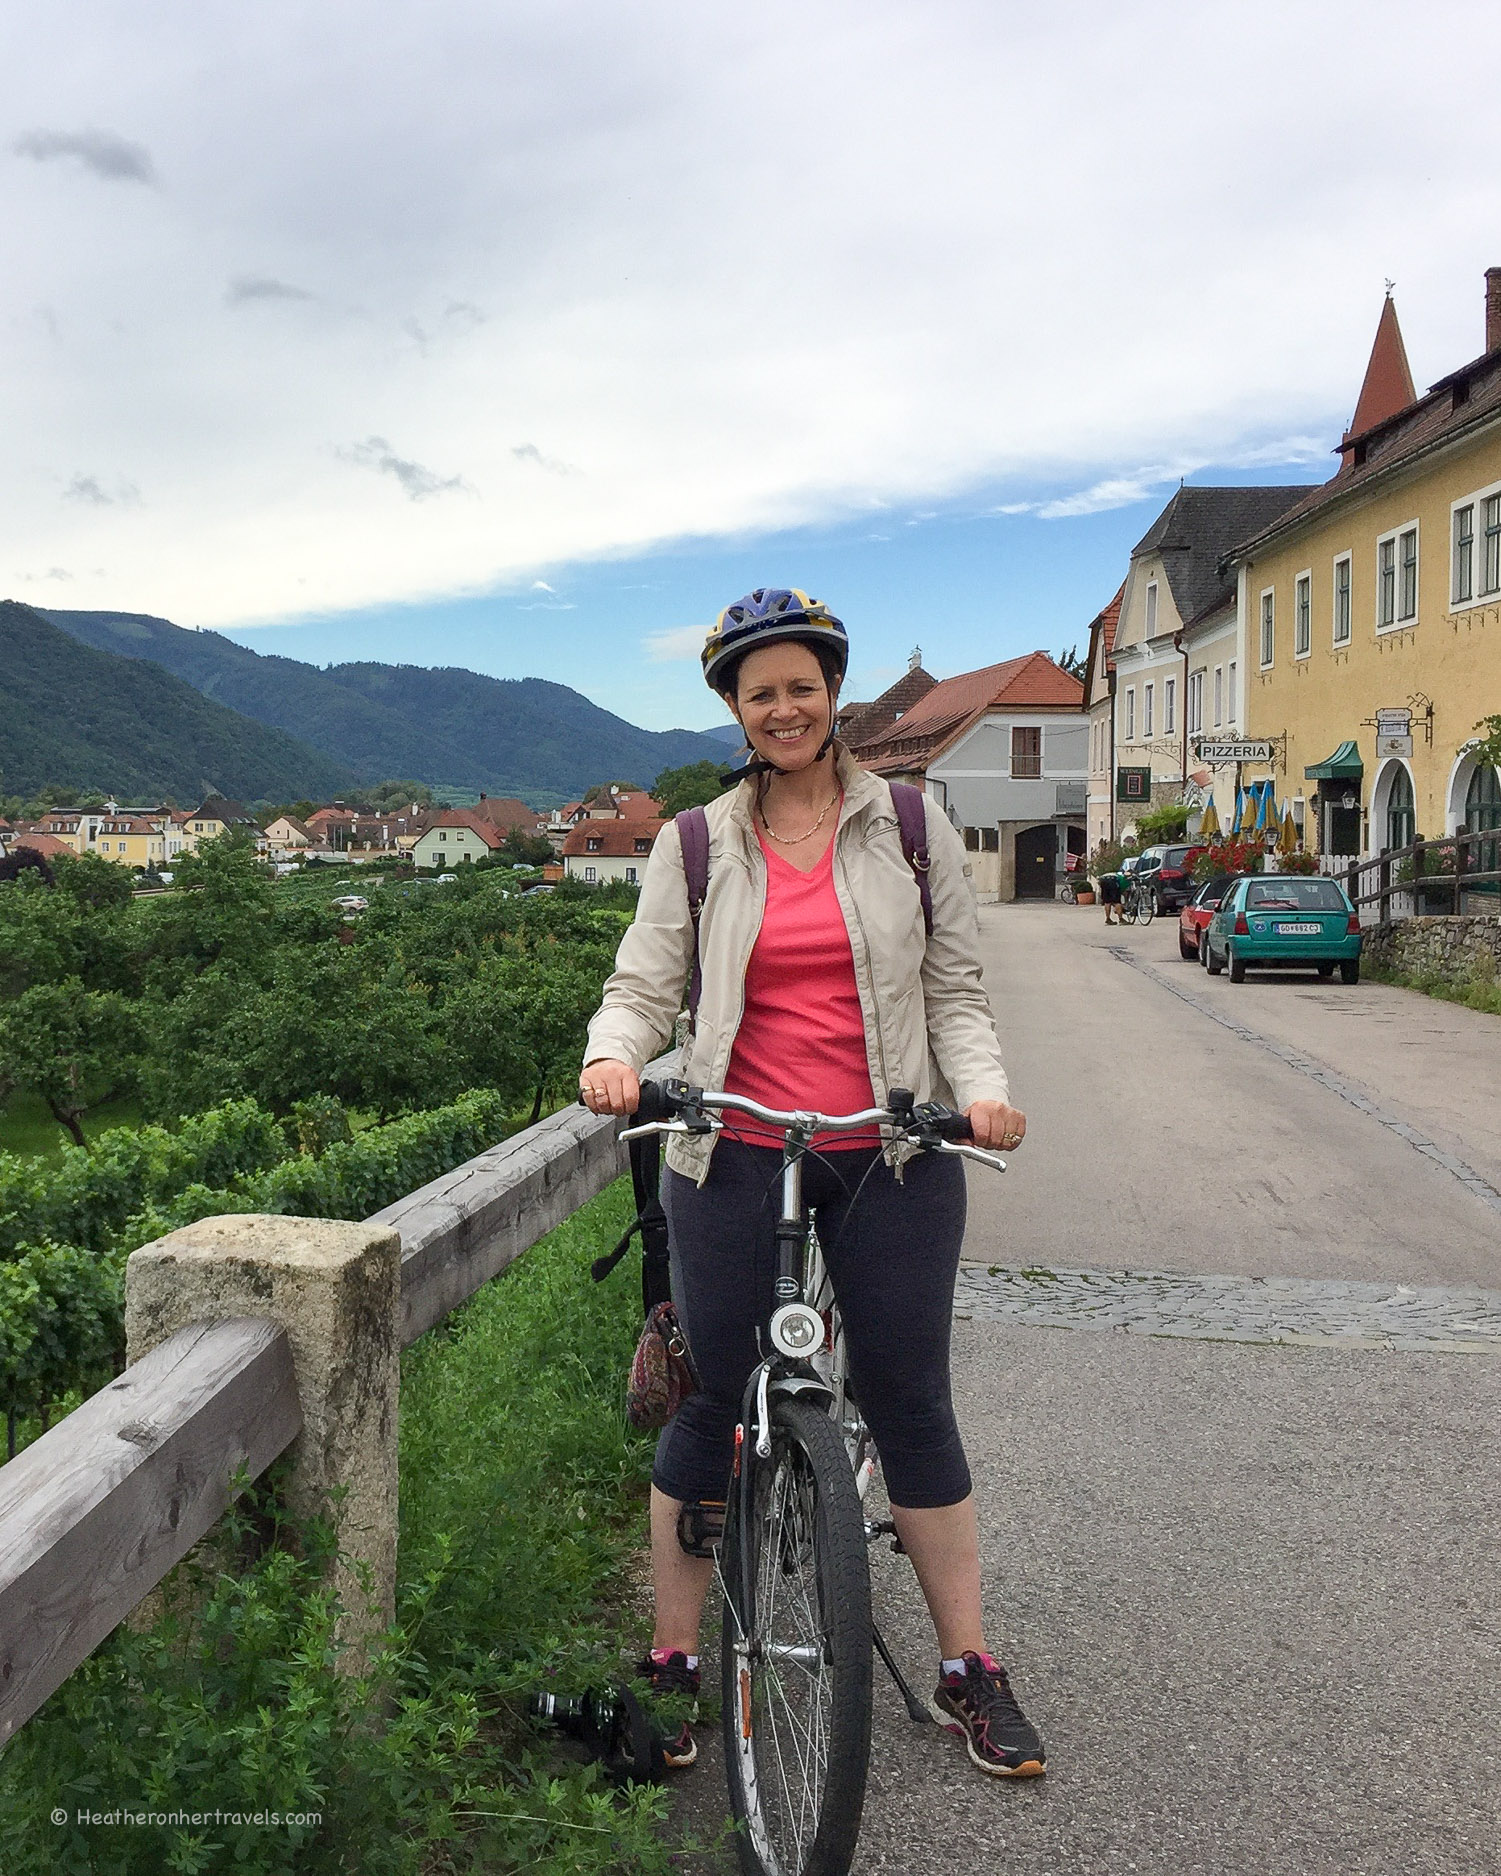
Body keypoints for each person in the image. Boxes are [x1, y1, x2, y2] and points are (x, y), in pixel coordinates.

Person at [579, 588, 1046, 1780]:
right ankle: (677, 1661)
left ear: (831, 691)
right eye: (759, 691)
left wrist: (980, 1091)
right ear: (735, 711)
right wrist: (615, 1053)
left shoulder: (906, 824)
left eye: (800, 684)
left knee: (908, 1398)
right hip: (732, 1141)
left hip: (885, 1146)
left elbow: (955, 991)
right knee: (713, 1398)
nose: (783, 707)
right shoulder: (695, 845)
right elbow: (644, 986)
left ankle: (967, 1669)